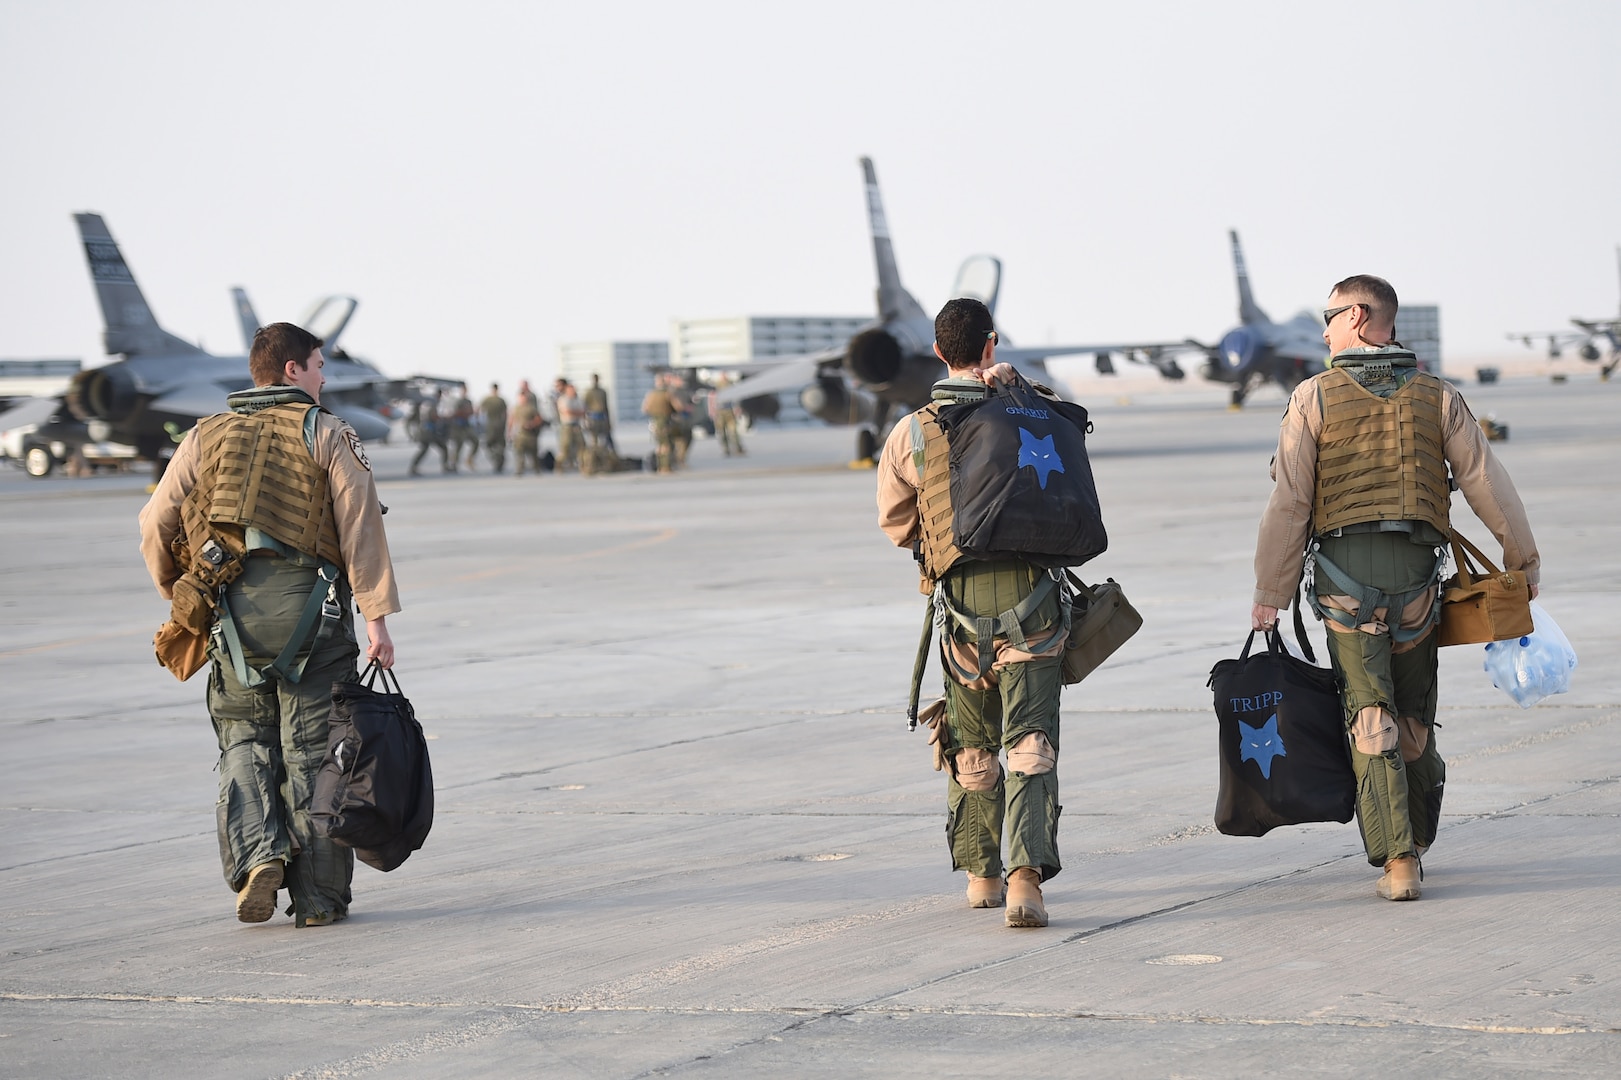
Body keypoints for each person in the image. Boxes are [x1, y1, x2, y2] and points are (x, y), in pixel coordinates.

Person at [1251, 275, 1541, 902]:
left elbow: (1290, 502)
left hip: (1345, 589)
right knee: (1413, 721)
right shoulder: (1438, 396)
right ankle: (1418, 837)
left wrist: (1270, 591)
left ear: (1357, 317)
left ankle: (1399, 860)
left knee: (1370, 715)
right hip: (1417, 585)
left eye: (1329, 315)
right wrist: (1523, 562)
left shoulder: (1313, 398)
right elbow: (1487, 481)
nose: (1323, 328)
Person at [137, 322, 400, 928]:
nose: (323, 376)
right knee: (313, 754)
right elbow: (361, 529)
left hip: (227, 618)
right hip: (314, 619)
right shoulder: (329, 432)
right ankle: (318, 902)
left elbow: (155, 522)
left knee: (244, 745)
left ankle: (259, 856)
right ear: (291, 371)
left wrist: (183, 600)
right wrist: (378, 620)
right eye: (316, 365)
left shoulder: (204, 435)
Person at [876, 298, 1068, 928]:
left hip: (958, 609)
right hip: (1033, 600)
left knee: (973, 744)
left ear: (938, 351)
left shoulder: (910, 432)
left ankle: (982, 877)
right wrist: (1017, 385)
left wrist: (945, 546)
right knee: (1029, 739)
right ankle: (1025, 884)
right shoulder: (1028, 406)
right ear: (991, 343)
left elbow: (897, 523)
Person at [409, 389, 452, 476]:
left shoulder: (429, 403)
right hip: (429, 432)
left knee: (429, 449)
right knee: (440, 448)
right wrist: (443, 418)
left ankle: (414, 467)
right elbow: (433, 416)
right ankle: (445, 466)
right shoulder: (433, 403)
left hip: (428, 431)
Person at [641, 378, 676, 474]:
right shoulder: (667, 394)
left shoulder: (650, 394)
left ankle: (659, 466)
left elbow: (645, 408)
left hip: (654, 421)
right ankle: (665, 467)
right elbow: (677, 406)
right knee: (665, 445)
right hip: (664, 421)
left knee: (659, 445)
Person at [510, 383, 544, 475]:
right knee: (519, 453)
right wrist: (509, 432)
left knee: (533, 454)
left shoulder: (531, 408)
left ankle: (537, 469)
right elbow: (512, 420)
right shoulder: (516, 408)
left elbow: (539, 419)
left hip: (530, 435)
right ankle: (519, 470)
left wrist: (531, 424)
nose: (522, 399)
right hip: (520, 435)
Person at [711, 375, 745, 457]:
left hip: (729, 411)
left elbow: (735, 397)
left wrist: (737, 408)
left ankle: (737, 448)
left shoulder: (731, 385)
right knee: (722, 432)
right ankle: (726, 449)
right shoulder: (716, 386)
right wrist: (712, 411)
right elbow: (711, 398)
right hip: (720, 411)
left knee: (732, 431)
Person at [555, 380, 585, 472]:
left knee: (581, 446)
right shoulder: (563, 399)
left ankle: (583, 465)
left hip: (576, 425)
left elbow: (583, 412)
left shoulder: (578, 400)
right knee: (565, 447)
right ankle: (559, 465)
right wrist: (576, 413)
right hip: (566, 426)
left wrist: (574, 413)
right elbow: (566, 412)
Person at [478, 382, 509, 473]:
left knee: (490, 444)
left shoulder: (487, 399)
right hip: (498, 424)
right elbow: (505, 414)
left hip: (491, 425)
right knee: (499, 445)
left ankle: (497, 460)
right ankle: (498, 460)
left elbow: (480, 411)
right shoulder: (500, 400)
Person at [666, 374, 695, 468]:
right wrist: (683, 408)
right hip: (675, 419)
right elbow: (675, 406)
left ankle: (680, 459)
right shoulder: (671, 391)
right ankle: (677, 460)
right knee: (678, 440)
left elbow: (690, 402)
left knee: (687, 439)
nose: (681, 382)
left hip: (685, 419)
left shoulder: (684, 391)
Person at [582, 373, 615, 454]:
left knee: (605, 439)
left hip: (602, 417)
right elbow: (585, 406)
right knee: (594, 440)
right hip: (593, 418)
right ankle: (595, 457)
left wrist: (608, 420)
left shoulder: (602, 392)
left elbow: (606, 406)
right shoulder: (589, 392)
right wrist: (585, 420)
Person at [448, 382, 477, 471]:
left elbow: (471, 412)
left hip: (466, 425)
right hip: (458, 426)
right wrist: (464, 412)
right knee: (458, 446)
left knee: (475, 442)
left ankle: (469, 459)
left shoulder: (468, 401)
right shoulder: (457, 401)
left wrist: (466, 412)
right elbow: (455, 413)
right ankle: (454, 465)